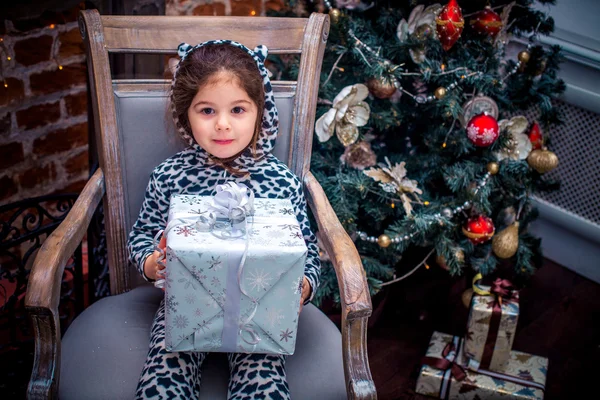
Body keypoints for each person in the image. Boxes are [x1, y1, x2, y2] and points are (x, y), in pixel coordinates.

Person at [127, 40, 321, 399]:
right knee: (164, 374)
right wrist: (154, 263)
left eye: (237, 109)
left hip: (260, 312)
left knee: (263, 378)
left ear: (260, 111)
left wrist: (303, 286)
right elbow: (140, 236)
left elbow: (306, 250)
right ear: (185, 113)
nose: (222, 125)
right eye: (206, 111)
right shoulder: (169, 177)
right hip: (183, 306)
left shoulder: (281, 183)